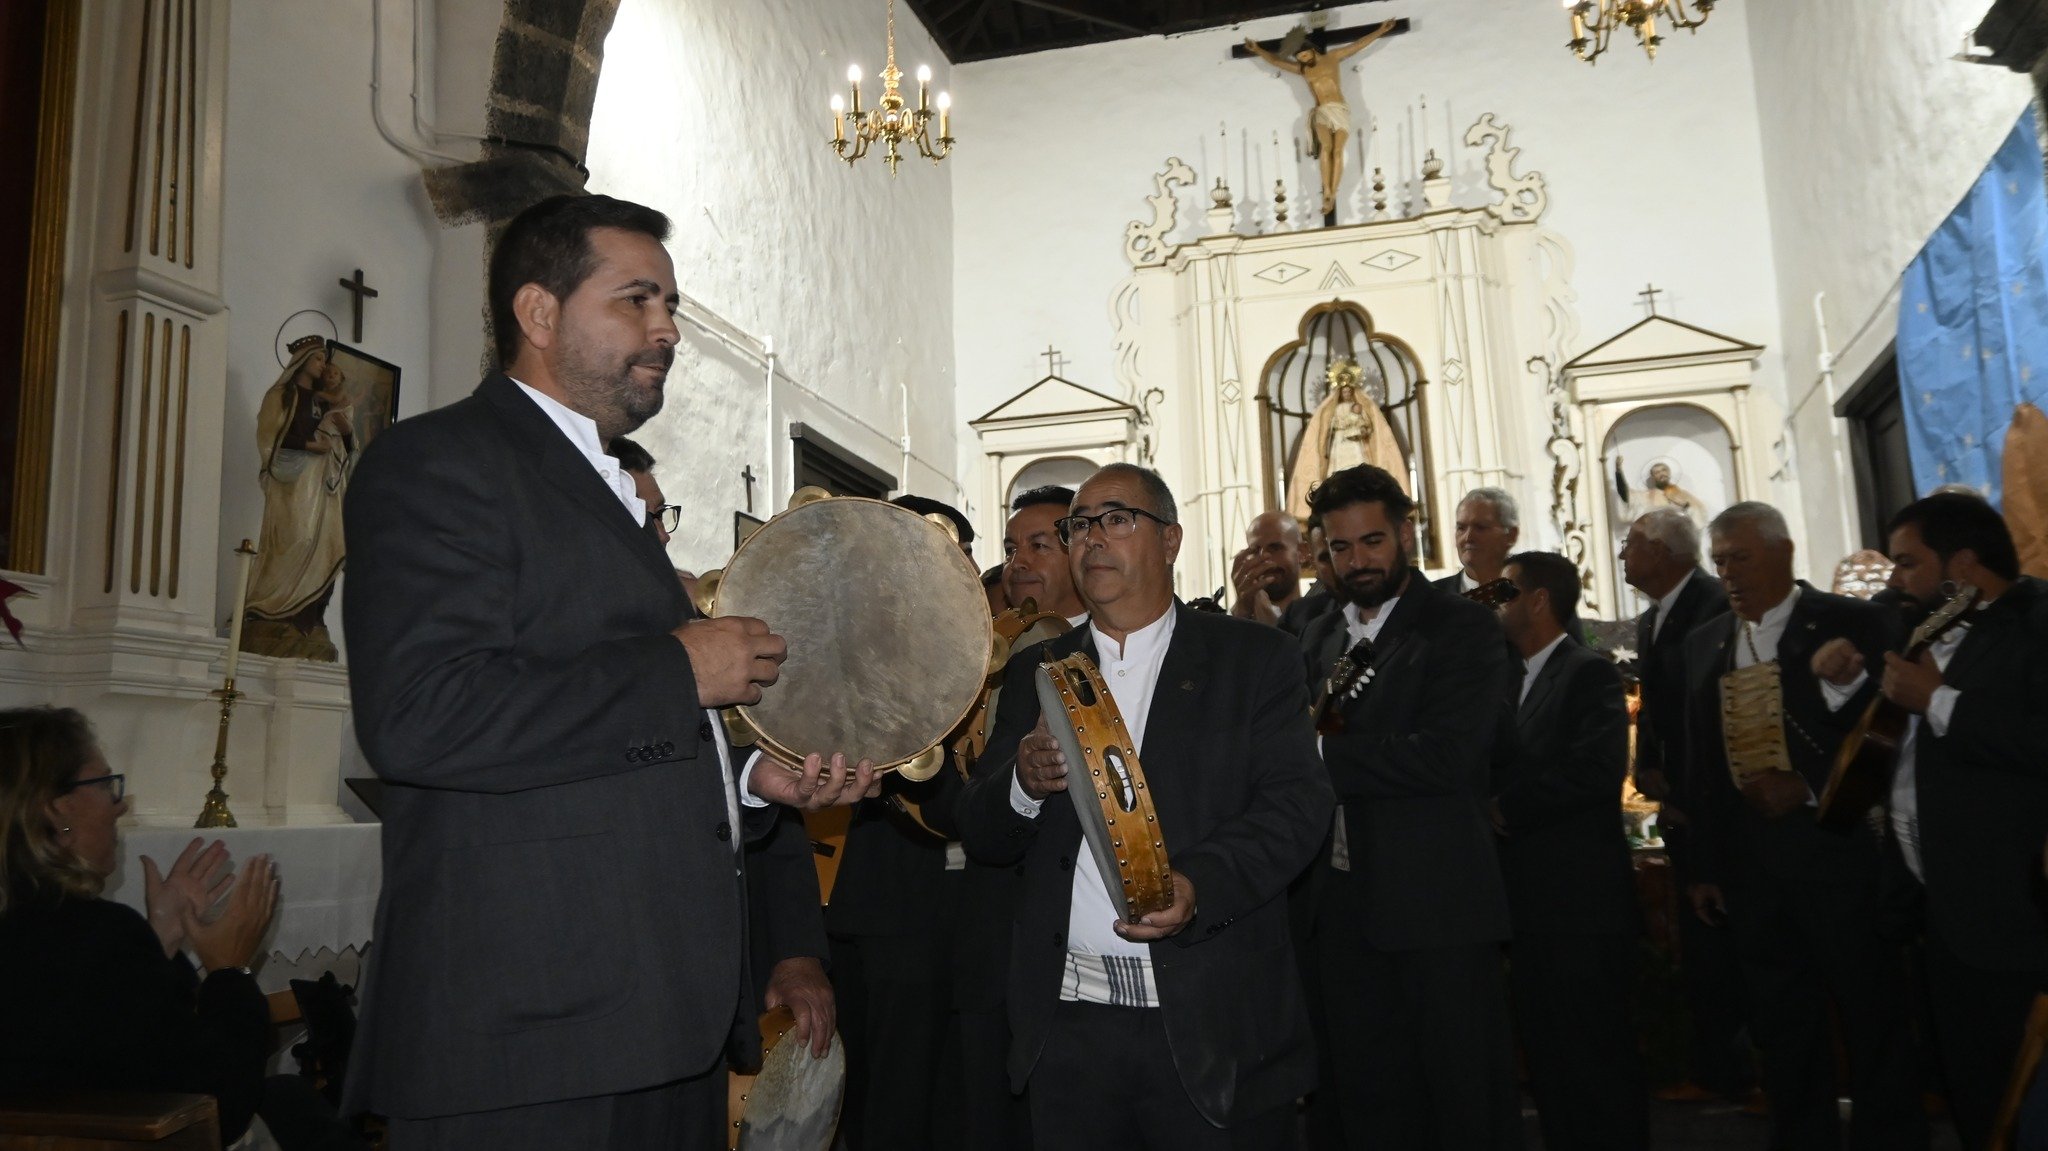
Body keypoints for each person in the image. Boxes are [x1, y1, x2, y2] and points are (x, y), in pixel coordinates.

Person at [340, 193, 876, 1147]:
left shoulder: (606, 485)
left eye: (668, 303)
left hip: (655, 1019)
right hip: (531, 1031)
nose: (666, 328)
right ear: (538, 313)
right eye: (636, 300)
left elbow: (607, 726)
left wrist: (752, 780)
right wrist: (678, 668)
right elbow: (422, 715)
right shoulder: (439, 462)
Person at [954, 463, 1333, 1149]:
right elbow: (981, 828)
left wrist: (1197, 883)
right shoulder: (1037, 671)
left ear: (1171, 540)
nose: (1093, 537)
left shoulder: (1254, 660)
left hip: (1210, 1023)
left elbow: (1297, 808)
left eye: (1117, 518)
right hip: (1069, 1031)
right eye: (1079, 525)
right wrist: (1021, 784)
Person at [1680, 502, 1925, 1151]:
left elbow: (1890, 736)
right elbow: (1701, 763)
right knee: (1783, 1028)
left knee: (1872, 1019)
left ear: (1784, 552)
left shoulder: (1853, 622)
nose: (1728, 572)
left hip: (1839, 859)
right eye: (1720, 560)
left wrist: (1811, 789)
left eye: (1741, 557)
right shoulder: (1706, 640)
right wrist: (1704, 866)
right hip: (1752, 872)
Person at [0, 706, 358, 1151]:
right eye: (105, 785)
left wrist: (159, 940)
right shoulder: (92, 932)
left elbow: (97, 1041)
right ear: (56, 809)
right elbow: (220, 1106)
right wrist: (230, 970)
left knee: (289, 1101)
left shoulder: (52, 929)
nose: (121, 804)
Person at [1294, 463, 1521, 1149]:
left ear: (1405, 534)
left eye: (1371, 542)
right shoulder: (1320, 635)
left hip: (1437, 911)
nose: (1357, 561)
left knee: (1460, 1102)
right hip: (1341, 911)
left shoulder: (1462, 628)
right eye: (1340, 548)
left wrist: (1318, 757)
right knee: (1364, 1099)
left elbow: (1446, 756)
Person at [1817, 493, 2048, 1149]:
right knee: (1975, 1096)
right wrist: (1842, 683)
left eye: (1908, 562)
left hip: (2018, 912)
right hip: (1937, 910)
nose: (1895, 579)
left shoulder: (2038, 622)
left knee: (2027, 1101)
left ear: (1965, 564)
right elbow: (1888, 741)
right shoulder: (1923, 626)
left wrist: (1941, 699)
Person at [822, 493, 979, 1151]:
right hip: (825, 896)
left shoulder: (964, 645)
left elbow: (956, 785)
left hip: (916, 902)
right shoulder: (829, 629)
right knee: (824, 1091)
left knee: (903, 1093)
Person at [1491, 551, 1649, 1150]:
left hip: (1581, 906)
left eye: (1505, 591)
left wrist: (1508, 806)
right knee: (1552, 1062)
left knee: (1597, 1058)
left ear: (1538, 599)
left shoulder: (1588, 672)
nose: (1494, 601)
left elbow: (1596, 768)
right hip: (1527, 908)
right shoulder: (1508, 674)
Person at [1619, 507, 1753, 1103]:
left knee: (1733, 938)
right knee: (1703, 948)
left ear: (1663, 552)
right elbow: (1655, 704)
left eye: (1630, 544)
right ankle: (1716, 1068)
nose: (1622, 555)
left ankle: (1746, 1071)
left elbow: (1712, 711)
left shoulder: (1714, 603)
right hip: (1676, 797)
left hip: (1715, 802)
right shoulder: (1652, 620)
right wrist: (1647, 764)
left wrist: (1684, 786)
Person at [244, 335, 354, 660]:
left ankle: (309, 617)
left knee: (329, 543)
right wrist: (308, 446)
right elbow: (270, 435)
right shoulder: (281, 395)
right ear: (302, 361)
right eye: (318, 359)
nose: (323, 365)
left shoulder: (325, 399)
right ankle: (275, 610)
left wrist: (345, 433)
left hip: (324, 484)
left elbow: (344, 440)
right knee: (298, 539)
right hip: (293, 483)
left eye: (323, 360)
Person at [1242, 20, 1398, 219]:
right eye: (1300, 58)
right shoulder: (1303, 69)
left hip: (1339, 110)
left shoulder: (1333, 57)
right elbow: (1275, 62)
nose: (1304, 59)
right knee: (1326, 147)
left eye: (1305, 55)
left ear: (1312, 50)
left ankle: (1334, 191)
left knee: (1338, 150)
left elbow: (1357, 45)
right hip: (1322, 112)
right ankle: (1326, 191)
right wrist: (1258, 49)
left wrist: (1380, 30)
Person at [1001, 485, 1085, 622]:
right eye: (1010, 550)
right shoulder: (989, 640)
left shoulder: (1110, 639)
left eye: (1038, 546)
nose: (1016, 563)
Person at [1229, 510, 1309, 629]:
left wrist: (1272, 627)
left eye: (1275, 548)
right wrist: (1241, 615)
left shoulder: (1320, 618)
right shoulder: (1239, 617)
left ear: (1302, 552)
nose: (1264, 558)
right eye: (1255, 551)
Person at [1436, 487, 1520, 594]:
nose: (1468, 538)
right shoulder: (1430, 598)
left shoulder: (1532, 593)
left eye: (1481, 527)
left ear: (1511, 535)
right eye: (1461, 528)